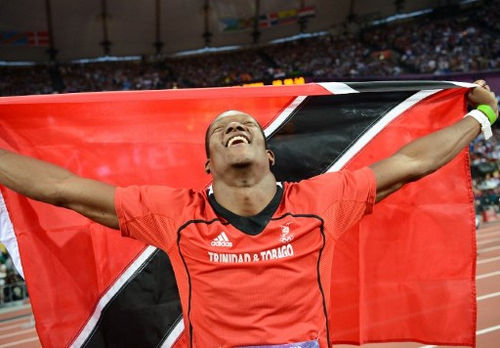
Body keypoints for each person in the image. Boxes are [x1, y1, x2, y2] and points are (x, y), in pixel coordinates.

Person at [0, 81, 497, 347]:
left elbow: (409, 163)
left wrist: (481, 117)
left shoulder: (322, 202)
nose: (234, 128)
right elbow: (65, 189)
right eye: (221, 129)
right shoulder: (174, 212)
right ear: (208, 162)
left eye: (246, 126)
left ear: (269, 154)